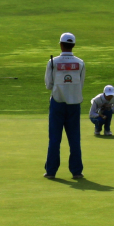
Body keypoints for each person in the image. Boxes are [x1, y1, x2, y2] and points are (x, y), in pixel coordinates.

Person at [44, 33, 85, 179]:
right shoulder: (80, 63)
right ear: (73, 45)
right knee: (74, 138)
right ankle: (77, 171)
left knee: (55, 138)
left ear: (60, 44)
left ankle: (51, 171)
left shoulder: (53, 62)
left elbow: (48, 85)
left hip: (57, 102)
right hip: (74, 103)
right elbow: (81, 84)